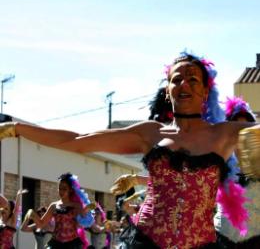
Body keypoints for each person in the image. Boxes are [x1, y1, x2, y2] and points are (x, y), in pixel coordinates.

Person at [1, 52, 260, 248]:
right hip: (147, 242)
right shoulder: (150, 133)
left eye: (193, 79)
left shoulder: (226, 133)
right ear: (168, 92)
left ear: (205, 91)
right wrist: (16, 129)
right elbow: (78, 139)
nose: (184, 84)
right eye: (176, 79)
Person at [215, 96, 260, 249]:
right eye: (236, 128)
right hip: (223, 238)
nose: (240, 134)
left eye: (245, 128)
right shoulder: (218, 160)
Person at [25, 173, 94, 249]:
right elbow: (41, 224)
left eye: (64, 189)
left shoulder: (76, 205)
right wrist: (31, 213)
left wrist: (87, 209)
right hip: (56, 244)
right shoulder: (53, 206)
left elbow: (83, 221)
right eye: (60, 188)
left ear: (70, 190)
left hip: (72, 244)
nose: (61, 191)